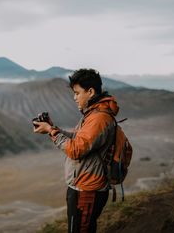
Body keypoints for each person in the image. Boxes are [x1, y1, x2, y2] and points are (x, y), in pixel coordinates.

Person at [33, 68, 120, 233]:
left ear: (91, 91)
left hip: (87, 190)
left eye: (77, 93)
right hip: (83, 187)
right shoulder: (93, 114)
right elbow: (78, 139)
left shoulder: (98, 118)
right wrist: (53, 128)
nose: (74, 98)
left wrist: (52, 132)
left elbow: (76, 150)